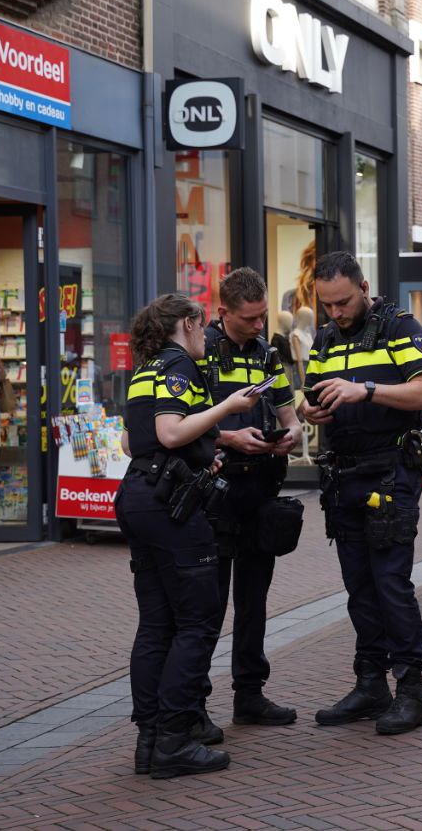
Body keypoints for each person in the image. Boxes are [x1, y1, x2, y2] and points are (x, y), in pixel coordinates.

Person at [116, 294, 259, 779]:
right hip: (169, 507)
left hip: (139, 494)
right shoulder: (180, 365)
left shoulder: (146, 368)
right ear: (190, 324)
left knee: (156, 624)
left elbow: (131, 441)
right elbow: (170, 432)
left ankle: (150, 740)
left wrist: (201, 453)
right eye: (202, 325)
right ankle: (176, 738)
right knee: (197, 621)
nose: (206, 336)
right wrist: (227, 408)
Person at [298, 251, 422, 735]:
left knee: (390, 583)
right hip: (343, 476)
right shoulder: (324, 338)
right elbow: (310, 394)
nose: (335, 312)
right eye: (327, 305)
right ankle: (370, 683)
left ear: (363, 287)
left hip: (390, 474)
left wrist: (367, 390)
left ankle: (411, 691)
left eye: (342, 302)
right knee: (359, 585)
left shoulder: (399, 327)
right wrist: (310, 410)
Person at [199, 268, 303, 729]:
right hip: (215, 493)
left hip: (259, 489)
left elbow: (288, 415)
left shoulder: (266, 352)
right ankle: (194, 705)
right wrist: (228, 438)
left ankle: (250, 695)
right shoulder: (198, 352)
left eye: (263, 316)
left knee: (254, 600)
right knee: (207, 604)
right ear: (223, 312)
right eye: (250, 319)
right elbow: (180, 424)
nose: (260, 325)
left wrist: (291, 435)